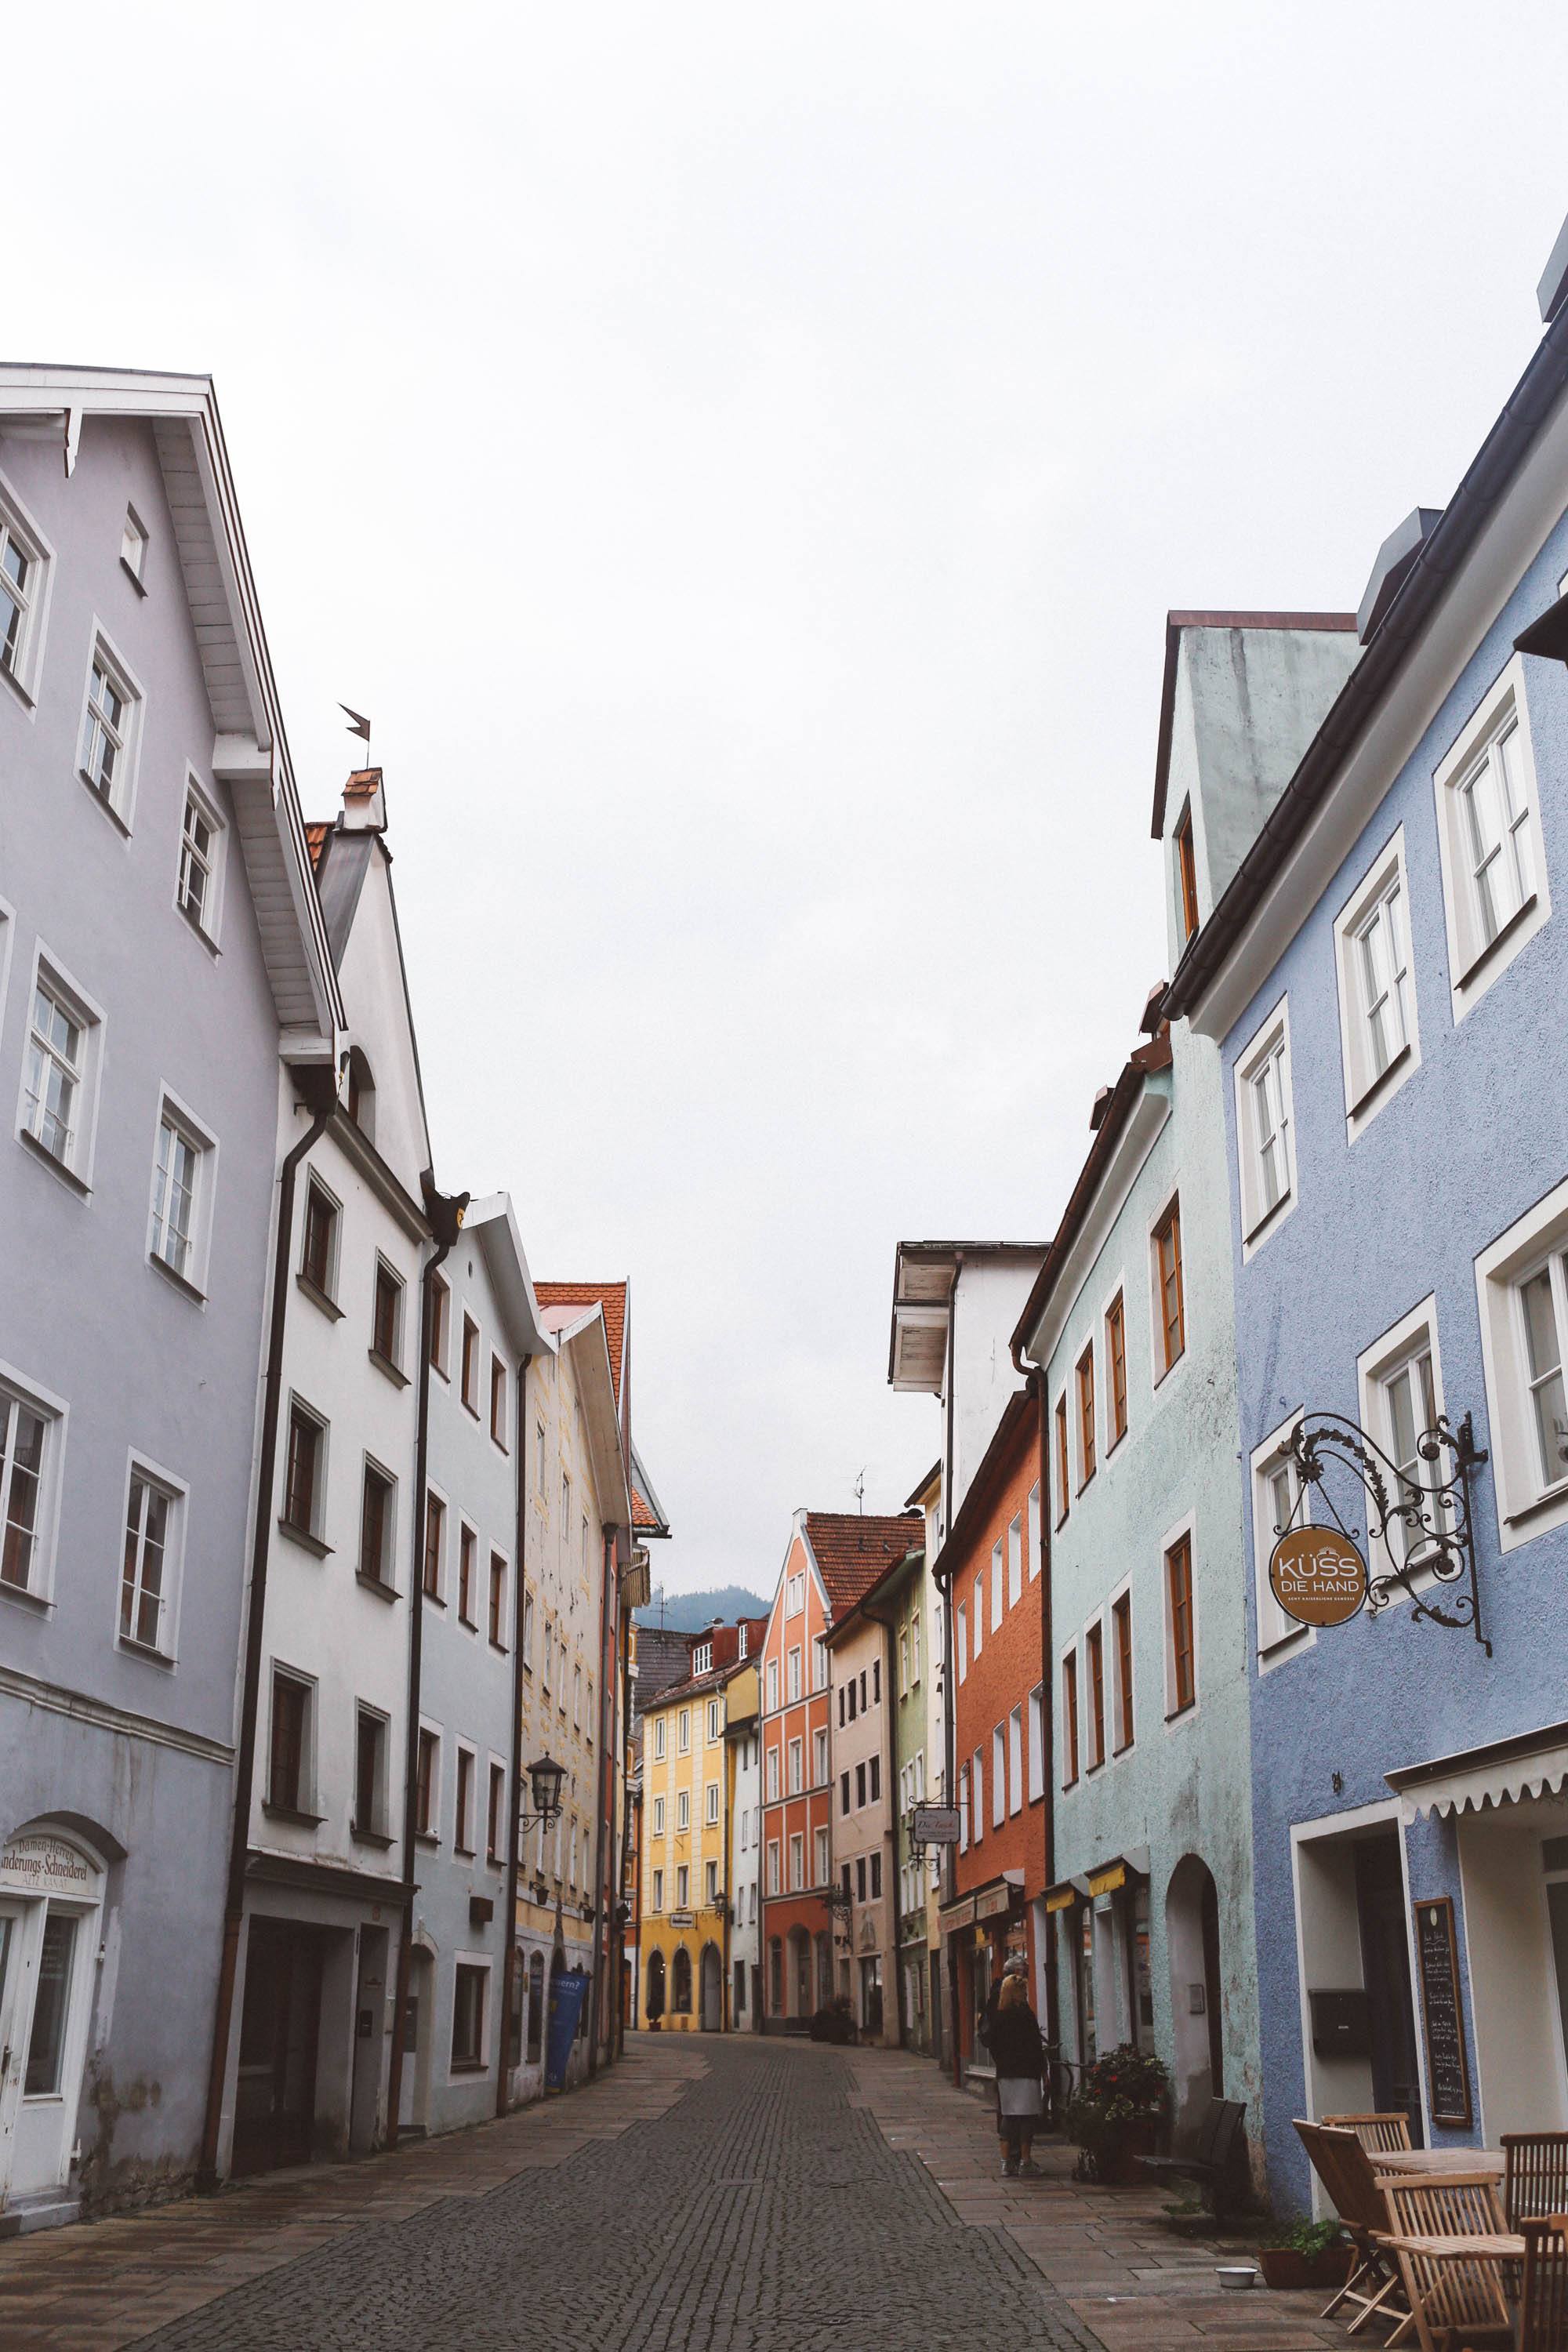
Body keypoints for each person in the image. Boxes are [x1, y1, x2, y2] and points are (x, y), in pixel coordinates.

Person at [989, 1971, 1045, 2178]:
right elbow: (1035, 2046)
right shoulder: (1025, 2015)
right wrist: (1042, 2071)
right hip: (1027, 2072)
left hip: (1006, 2073)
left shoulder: (999, 2017)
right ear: (1016, 1993)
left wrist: (1002, 2063)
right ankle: (1026, 2161)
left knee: (1009, 2115)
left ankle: (1005, 2163)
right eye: (1023, 1990)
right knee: (1027, 2117)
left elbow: (992, 2044)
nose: (1026, 1994)